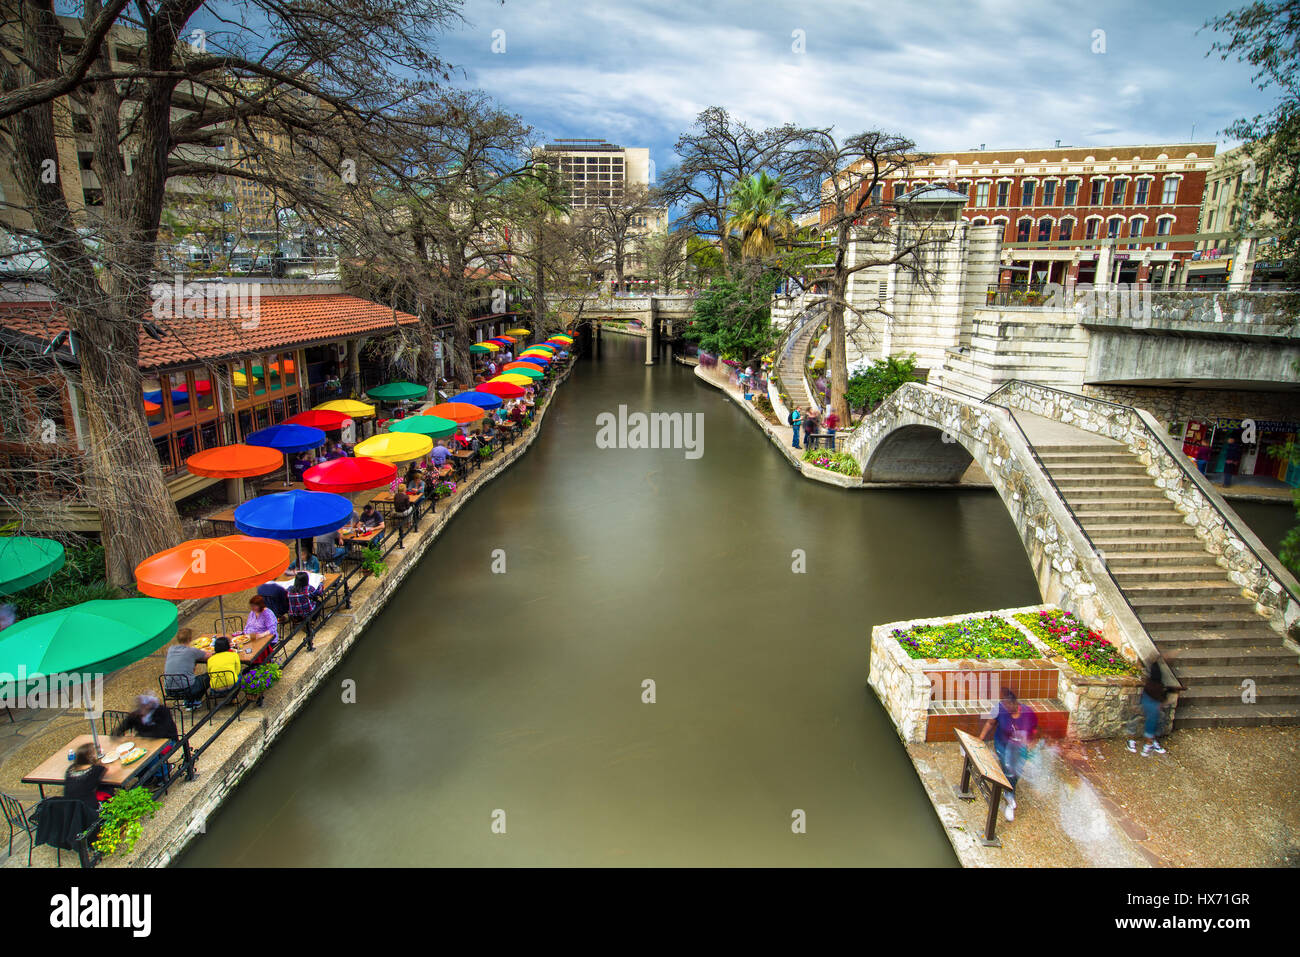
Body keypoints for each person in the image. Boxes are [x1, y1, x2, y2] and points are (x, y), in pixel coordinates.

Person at [980, 688, 1038, 821]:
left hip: (1019, 746)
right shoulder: (999, 708)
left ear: (1015, 704)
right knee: (1008, 767)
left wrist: (1031, 743)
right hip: (1002, 744)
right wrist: (980, 738)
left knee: (1017, 770)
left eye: (1008, 706)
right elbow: (990, 723)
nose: (1006, 708)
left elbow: (1034, 730)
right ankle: (1009, 795)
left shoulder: (1028, 713)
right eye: (1004, 706)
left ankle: (1009, 789)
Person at [1129, 662, 1171, 756]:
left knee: (1148, 721)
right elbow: (1161, 697)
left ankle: (1147, 742)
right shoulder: (1157, 686)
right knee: (1152, 722)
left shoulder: (1149, 684)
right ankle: (1148, 744)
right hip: (1152, 703)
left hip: (1147, 700)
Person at [163, 628, 210, 708]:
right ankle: (195, 700)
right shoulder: (192, 651)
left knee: (191, 678)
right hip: (187, 689)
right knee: (208, 676)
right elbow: (208, 655)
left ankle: (189, 700)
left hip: (169, 690)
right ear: (190, 639)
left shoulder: (171, 649)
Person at [63, 744, 107, 815]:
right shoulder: (95, 769)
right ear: (90, 757)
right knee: (108, 789)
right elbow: (104, 769)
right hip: (89, 811)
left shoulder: (70, 769)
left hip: (70, 811)